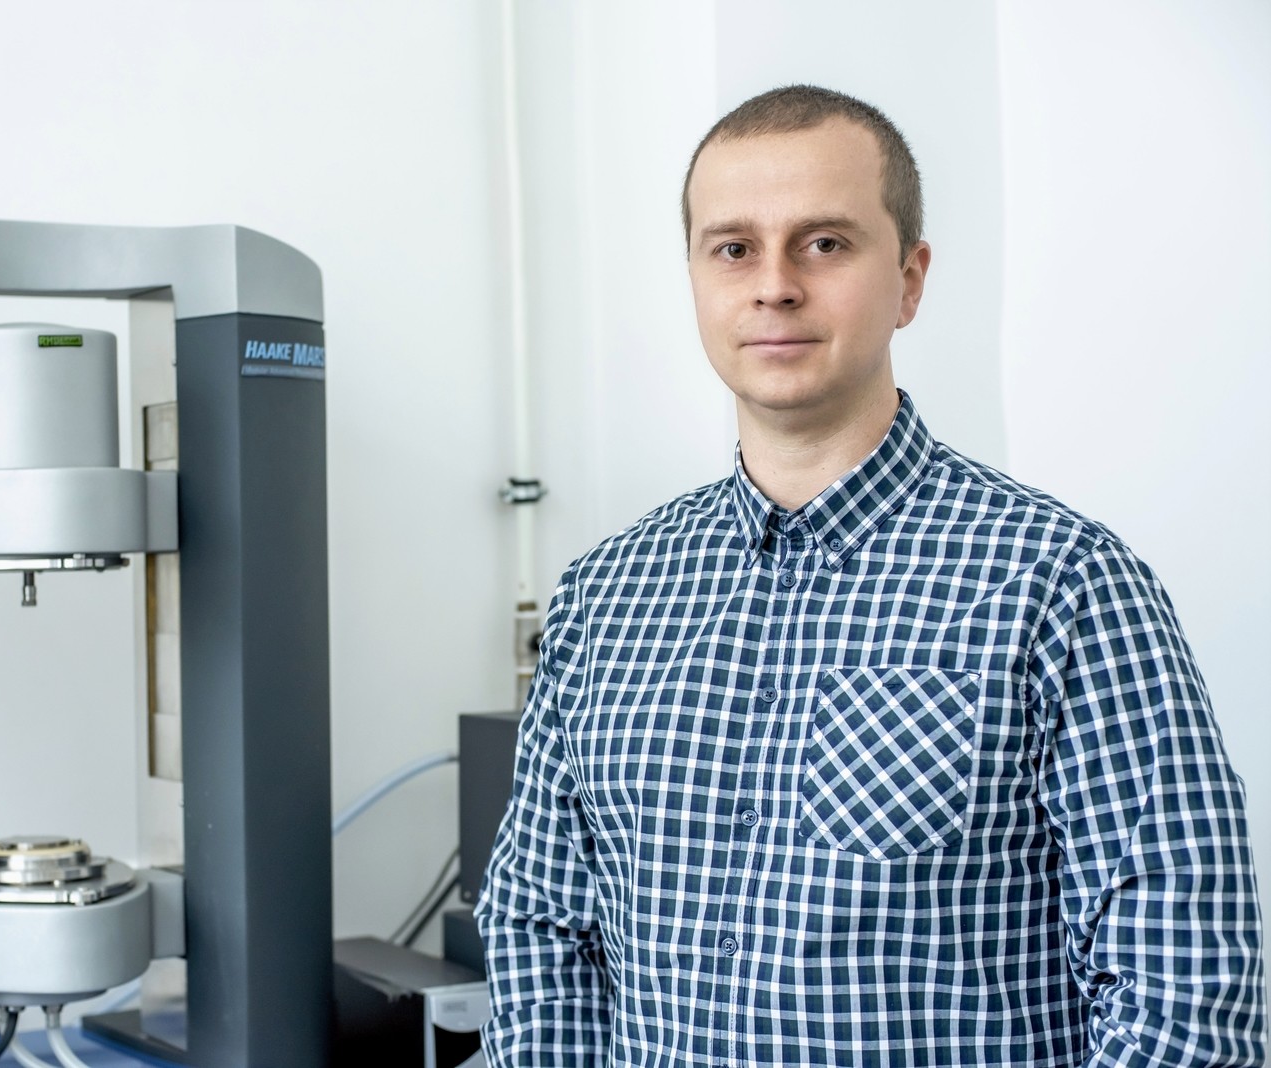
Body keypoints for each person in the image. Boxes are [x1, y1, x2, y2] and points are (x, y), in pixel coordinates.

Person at [475, 84, 1264, 1067]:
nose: (774, 286)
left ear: (909, 280)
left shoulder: (1062, 586)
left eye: (823, 243)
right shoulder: (603, 599)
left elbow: (1183, 999)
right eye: (733, 249)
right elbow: (543, 934)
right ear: (696, 279)